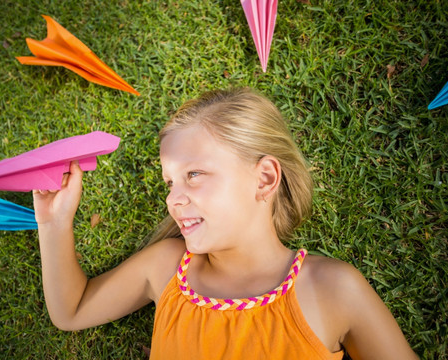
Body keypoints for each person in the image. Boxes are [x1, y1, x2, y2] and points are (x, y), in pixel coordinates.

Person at [33, 88, 418, 359]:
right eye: (170, 182)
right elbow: (72, 311)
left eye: (195, 174)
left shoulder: (332, 290)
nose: (172, 198)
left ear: (264, 178)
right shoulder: (167, 268)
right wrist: (54, 223)